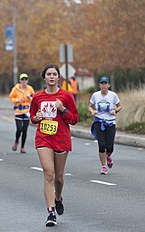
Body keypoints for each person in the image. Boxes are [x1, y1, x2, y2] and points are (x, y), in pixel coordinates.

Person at [30, 64, 78, 227]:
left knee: (58, 177)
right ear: (44, 78)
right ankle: (51, 212)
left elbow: (74, 119)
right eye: (48, 74)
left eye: (54, 74)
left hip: (61, 138)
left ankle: (58, 198)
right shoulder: (37, 97)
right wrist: (37, 117)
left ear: (58, 77)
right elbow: (32, 117)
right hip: (43, 138)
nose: (51, 77)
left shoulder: (66, 96)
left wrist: (63, 109)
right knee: (48, 173)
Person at [88, 76, 122, 175]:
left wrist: (115, 110)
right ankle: (103, 166)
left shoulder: (113, 95)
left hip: (110, 122)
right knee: (101, 145)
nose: (103, 85)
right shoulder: (95, 95)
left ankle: (108, 156)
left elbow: (120, 105)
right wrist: (92, 111)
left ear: (108, 85)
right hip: (99, 121)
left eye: (105, 83)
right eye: (102, 83)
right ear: (99, 85)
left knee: (110, 146)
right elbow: (90, 106)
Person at [9, 73, 35, 153]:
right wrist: (17, 100)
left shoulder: (30, 89)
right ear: (20, 81)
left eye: (25, 79)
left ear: (27, 81)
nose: (24, 81)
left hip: (27, 111)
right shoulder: (15, 89)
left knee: (24, 130)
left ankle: (23, 147)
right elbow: (11, 97)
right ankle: (16, 141)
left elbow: (35, 98)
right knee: (19, 129)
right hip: (18, 111)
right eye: (22, 79)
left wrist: (30, 97)